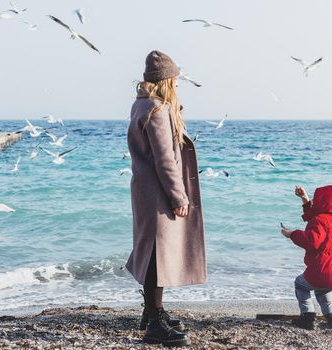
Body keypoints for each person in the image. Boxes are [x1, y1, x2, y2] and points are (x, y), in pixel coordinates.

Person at [126, 50, 206, 347]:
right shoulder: (157, 111)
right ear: (167, 81)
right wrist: (179, 196)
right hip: (158, 192)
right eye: (175, 79)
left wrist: (174, 111)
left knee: (151, 250)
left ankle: (152, 312)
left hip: (145, 190)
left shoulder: (143, 105)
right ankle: (155, 325)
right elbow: (165, 160)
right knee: (156, 256)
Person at [281, 185, 332, 330]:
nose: (315, 201)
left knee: (300, 284)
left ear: (323, 202)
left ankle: (308, 317)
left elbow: (311, 242)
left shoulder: (319, 220)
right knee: (323, 290)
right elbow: (314, 217)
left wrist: (292, 234)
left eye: (316, 199)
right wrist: (305, 200)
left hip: (320, 270)